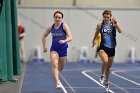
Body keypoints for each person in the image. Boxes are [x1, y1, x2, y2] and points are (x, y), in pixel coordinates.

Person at [92, 10, 122, 91]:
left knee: (108, 68)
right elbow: (96, 32)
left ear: (110, 17)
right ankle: (102, 75)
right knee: (105, 61)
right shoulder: (100, 25)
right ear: (103, 17)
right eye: (105, 17)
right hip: (102, 47)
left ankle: (107, 82)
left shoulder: (114, 25)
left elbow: (120, 31)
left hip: (112, 48)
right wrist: (94, 40)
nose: (106, 18)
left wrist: (116, 24)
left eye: (108, 17)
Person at [42, 11, 72, 89]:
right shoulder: (50, 27)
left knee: (61, 68)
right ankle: (57, 82)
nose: (57, 19)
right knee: (54, 65)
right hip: (54, 49)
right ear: (53, 18)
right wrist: (44, 46)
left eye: (59, 17)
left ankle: (64, 60)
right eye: (56, 17)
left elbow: (70, 37)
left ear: (61, 18)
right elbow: (44, 36)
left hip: (63, 49)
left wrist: (64, 41)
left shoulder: (64, 26)